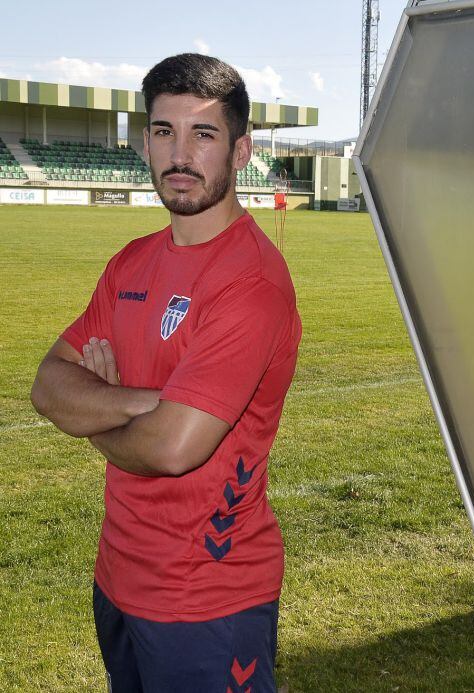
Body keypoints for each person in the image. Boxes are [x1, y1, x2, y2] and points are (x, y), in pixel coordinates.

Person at [29, 53, 301, 692]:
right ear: (145, 141)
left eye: (203, 134)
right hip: (117, 578)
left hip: (210, 599)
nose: (180, 154)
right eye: (163, 132)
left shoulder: (251, 283)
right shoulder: (131, 263)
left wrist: (95, 410)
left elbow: (173, 448)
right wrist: (149, 400)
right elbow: (48, 385)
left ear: (239, 152)